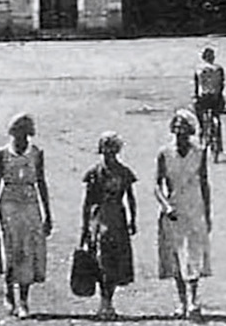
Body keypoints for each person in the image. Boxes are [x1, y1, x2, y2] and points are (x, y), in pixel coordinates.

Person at [0, 113, 53, 319]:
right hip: (8, 204)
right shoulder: (3, 153)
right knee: (9, 249)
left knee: (28, 251)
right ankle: (9, 293)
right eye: (17, 133)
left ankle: (24, 300)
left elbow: (41, 182)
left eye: (25, 134)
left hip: (30, 203)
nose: (21, 138)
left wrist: (47, 214)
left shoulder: (36, 153)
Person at [156, 108, 212, 320]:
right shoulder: (164, 153)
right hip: (174, 209)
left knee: (193, 253)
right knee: (176, 255)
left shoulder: (199, 152)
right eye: (177, 126)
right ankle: (181, 300)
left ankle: (193, 300)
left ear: (191, 130)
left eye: (184, 127)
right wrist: (165, 206)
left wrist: (208, 212)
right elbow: (157, 184)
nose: (180, 131)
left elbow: (205, 183)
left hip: (194, 206)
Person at [80, 131, 138, 320]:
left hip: (118, 220)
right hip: (99, 219)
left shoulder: (124, 172)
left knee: (114, 262)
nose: (109, 154)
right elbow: (87, 202)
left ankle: (108, 302)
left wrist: (133, 219)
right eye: (106, 149)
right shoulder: (94, 173)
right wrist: (85, 228)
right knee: (100, 261)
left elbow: (130, 197)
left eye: (112, 149)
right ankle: (103, 302)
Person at [192, 48, 226, 160]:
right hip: (215, 97)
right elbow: (222, 84)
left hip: (203, 97)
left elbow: (196, 85)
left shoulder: (198, 69)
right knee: (216, 118)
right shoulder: (219, 68)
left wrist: (195, 96)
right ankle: (218, 144)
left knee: (201, 119)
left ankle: (202, 134)